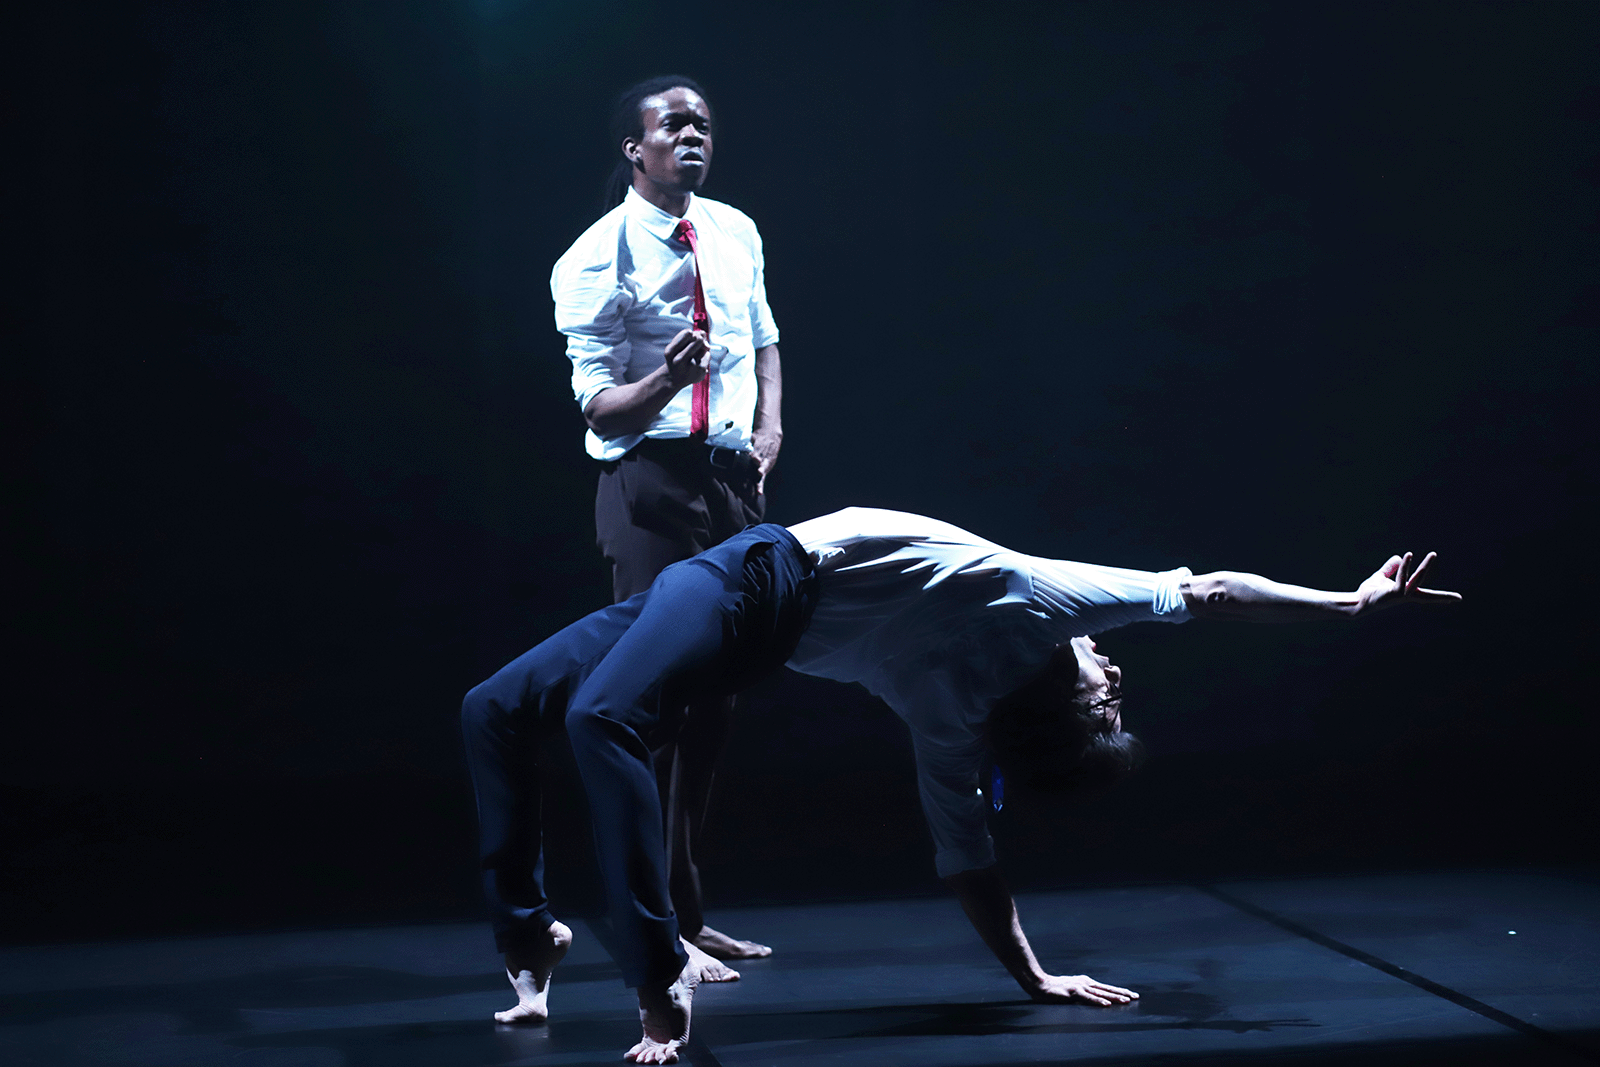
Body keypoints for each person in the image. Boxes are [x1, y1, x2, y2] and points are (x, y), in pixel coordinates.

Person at [461, 507, 1461, 1062]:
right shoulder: (957, 710)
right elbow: (971, 861)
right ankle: (528, 927)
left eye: (1111, 702)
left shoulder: (1031, 615)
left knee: (598, 719)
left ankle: (656, 979)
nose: (1116, 675)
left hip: (744, 583)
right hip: (729, 615)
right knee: (493, 707)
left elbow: (1206, 596)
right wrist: (1031, 975)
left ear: (1069, 711)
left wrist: (1347, 608)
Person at [549, 74, 785, 977]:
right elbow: (603, 412)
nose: (693, 135)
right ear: (633, 148)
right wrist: (666, 381)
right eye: (673, 124)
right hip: (649, 486)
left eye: (704, 125)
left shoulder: (734, 231)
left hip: (732, 484)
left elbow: (764, 334)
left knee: (717, 703)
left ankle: (689, 911)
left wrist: (768, 430)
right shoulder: (594, 257)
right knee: (649, 705)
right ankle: (653, 926)